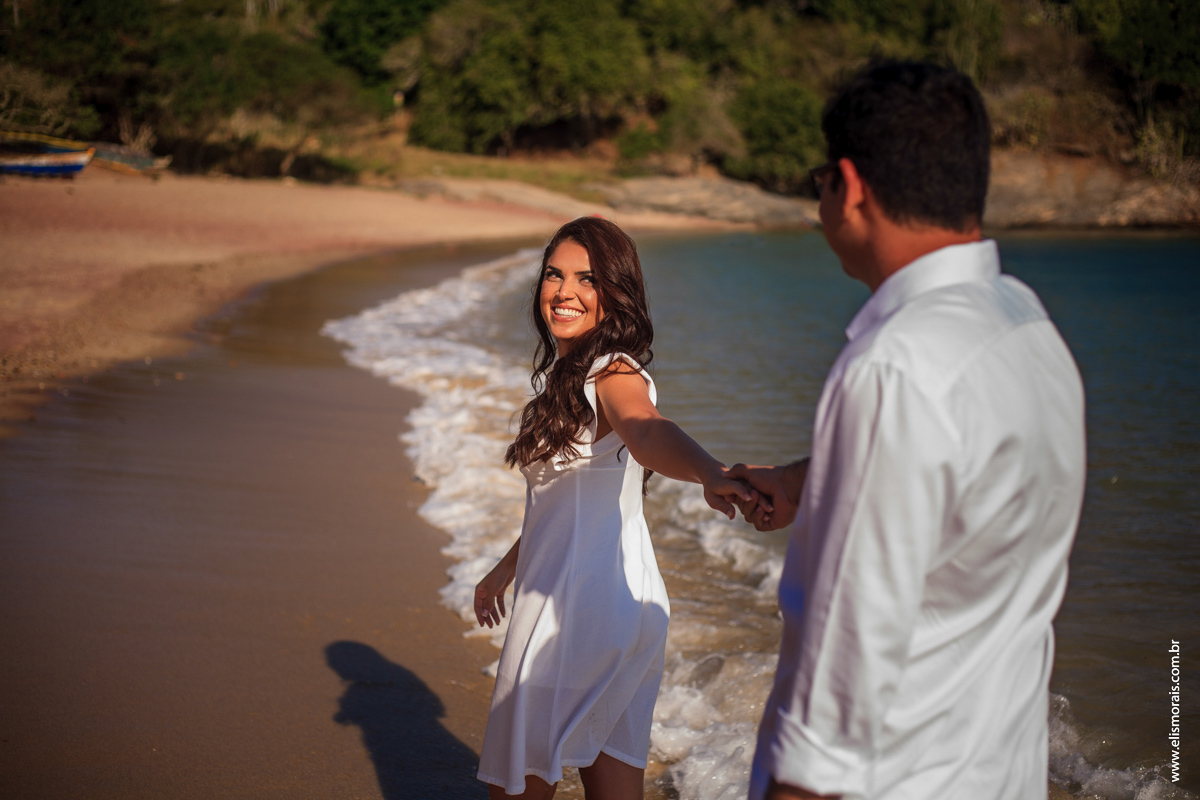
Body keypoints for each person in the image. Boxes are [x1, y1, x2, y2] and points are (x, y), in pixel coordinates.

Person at [729, 61, 1087, 800]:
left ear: (850, 187)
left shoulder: (892, 369)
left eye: (819, 179)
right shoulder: (1025, 324)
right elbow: (966, 476)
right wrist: (806, 482)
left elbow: (832, 719)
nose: (819, 197)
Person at [473, 216, 755, 800]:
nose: (564, 291)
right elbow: (564, 505)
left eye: (587, 279)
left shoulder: (613, 372)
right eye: (554, 274)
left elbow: (648, 431)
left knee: (518, 781)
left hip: (575, 611)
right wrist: (505, 569)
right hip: (622, 604)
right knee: (613, 783)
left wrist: (708, 469)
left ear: (615, 294)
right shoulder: (567, 377)